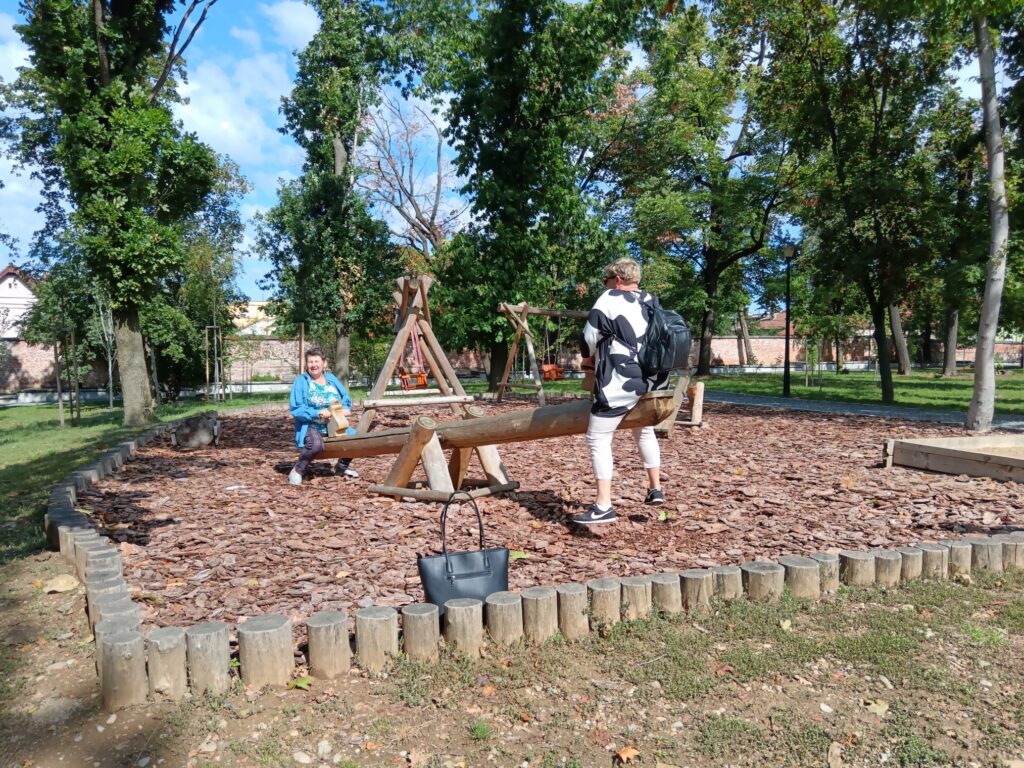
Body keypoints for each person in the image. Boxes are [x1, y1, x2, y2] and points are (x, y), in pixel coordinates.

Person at [574, 258, 670, 525]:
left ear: (617, 279)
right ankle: (655, 488)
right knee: (644, 430)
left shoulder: (609, 298)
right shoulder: (651, 301)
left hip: (622, 381)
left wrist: (587, 358)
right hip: (653, 381)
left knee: (598, 437)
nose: (605, 284)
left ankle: (603, 506)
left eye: (606, 279)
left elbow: (588, 338)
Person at [289, 346, 359, 485]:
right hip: (311, 425)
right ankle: (297, 470)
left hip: (334, 425)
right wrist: (318, 413)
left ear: (324, 363)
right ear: (306, 364)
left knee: (355, 438)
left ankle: (341, 467)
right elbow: (296, 409)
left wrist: (345, 409)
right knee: (315, 444)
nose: (313, 365)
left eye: (317, 361)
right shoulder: (301, 381)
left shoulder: (331, 379)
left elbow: (345, 399)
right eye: (310, 362)